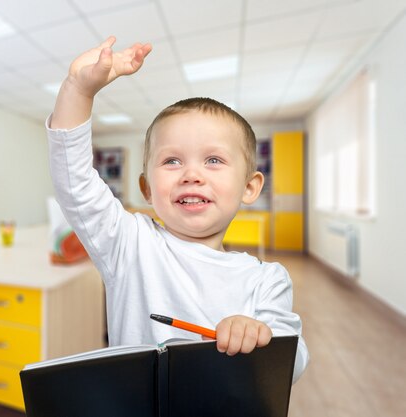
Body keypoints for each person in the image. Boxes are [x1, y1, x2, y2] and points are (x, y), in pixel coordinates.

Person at [47, 36, 308, 382]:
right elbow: (75, 184)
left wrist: (261, 335)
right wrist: (77, 92)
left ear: (249, 187)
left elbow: (293, 360)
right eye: (172, 161)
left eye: (213, 160)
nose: (192, 175)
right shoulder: (130, 244)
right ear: (147, 190)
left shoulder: (266, 280)